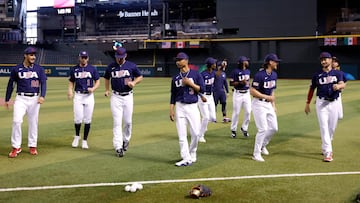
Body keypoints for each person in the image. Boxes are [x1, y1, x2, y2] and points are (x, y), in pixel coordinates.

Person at [5, 47, 47, 158]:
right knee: (16, 121)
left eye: (34, 55)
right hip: (21, 98)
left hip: (34, 99)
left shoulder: (39, 69)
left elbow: (43, 83)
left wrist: (42, 96)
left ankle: (32, 146)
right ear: (25, 55)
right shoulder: (17, 69)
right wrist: (7, 98)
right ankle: (16, 147)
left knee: (33, 123)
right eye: (31, 55)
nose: (33, 57)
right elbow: (11, 84)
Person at [305, 52, 345, 162]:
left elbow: (343, 84)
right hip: (321, 103)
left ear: (331, 60)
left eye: (326, 59)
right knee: (324, 127)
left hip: (334, 103)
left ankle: (326, 145)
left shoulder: (338, 73)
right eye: (322, 59)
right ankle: (328, 152)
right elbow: (312, 89)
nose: (323, 61)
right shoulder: (316, 75)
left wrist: (339, 86)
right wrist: (307, 103)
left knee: (332, 128)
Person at [104, 47, 143, 157]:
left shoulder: (131, 66)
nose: (119, 60)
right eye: (117, 57)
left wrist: (134, 82)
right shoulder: (111, 66)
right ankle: (118, 147)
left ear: (125, 56)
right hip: (116, 97)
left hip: (128, 97)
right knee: (117, 122)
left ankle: (125, 140)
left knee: (128, 122)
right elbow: (106, 78)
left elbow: (140, 77)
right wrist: (107, 90)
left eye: (121, 58)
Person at [170, 52, 205, 167]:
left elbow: (202, 89)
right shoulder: (175, 78)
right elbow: (173, 95)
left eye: (180, 59)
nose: (177, 62)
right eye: (177, 60)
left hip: (192, 106)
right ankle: (185, 157)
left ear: (186, 60)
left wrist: (190, 83)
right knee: (182, 134)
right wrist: (171, 109)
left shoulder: (195, 74)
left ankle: (192, 152)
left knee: (196, 133)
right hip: (180, 106)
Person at [250, 53, 280, 162]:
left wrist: (273, 105)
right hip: (258, 104)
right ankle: (256, 154)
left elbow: (272, 90)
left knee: (274, 128)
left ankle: (262, 145)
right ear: (270, 62)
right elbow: (252, 91)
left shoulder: (274, 75)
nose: (277, 63)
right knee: (262, 129)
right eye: (275, 61)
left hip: (268, 104)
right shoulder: (260, 75)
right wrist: (266, 97)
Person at [68, 51, 100, 149]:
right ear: (79, 58)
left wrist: (93, 89)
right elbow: (71, 81)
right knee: (78, 118)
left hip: (89, 96)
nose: (84, 59)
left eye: (85, 57)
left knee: (87, 119)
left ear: (88, 58)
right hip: (78, 95)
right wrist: (70, 91)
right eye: (82, 57)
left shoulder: (92, 69)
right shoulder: (74, 69)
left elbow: (98, 81)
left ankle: (85, 140)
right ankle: (77, 136)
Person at [229, 56, 251, 138]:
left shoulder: (248, 71)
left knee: (248, 111)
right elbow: (231, 83)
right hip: (238, 93)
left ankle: (244, 128)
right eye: (246, 61)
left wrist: (248, 85)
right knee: (236, 112)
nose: (247, 62)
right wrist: (240, 83)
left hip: (246, 93)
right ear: (242, 62)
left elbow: (248, 82)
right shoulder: (235, 72)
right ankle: (233, 130)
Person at [198, 57, 217, 143]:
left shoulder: (213, 73)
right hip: (203, 96)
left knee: (213, 117)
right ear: (210, 65)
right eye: (214, 63)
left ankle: (203, 126)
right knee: (206, 117)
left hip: (210, 97)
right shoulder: (202, 74)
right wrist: (201, 96)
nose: (215, 65)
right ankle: (200, 135)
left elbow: (219, 75)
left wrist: (223, 67)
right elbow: (197, 87)